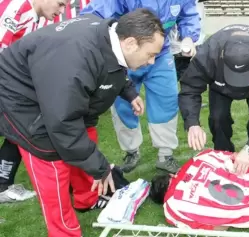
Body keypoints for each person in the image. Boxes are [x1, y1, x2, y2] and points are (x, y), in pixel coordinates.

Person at [0, 9, 164, 237]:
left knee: (87, 138)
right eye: (150, 54)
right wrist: (101, 168)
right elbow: (63, 123)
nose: (152, 61)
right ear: (130, 43)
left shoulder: (111, 37)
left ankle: (86, 199)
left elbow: (113, 65)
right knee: (50, 158)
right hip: (21, 98)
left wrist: (128, 92)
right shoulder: (75, 60)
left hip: (56, 91)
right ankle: (64, 232)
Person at [80, 0, 201, 174]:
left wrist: (189, 35)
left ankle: (165, 155)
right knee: (124, 103)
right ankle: (131, 151)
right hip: (129, 53)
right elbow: (96, 14)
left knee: (166, 101)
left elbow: (188, 13)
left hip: (161, 53)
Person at [178, 24, 249, 176]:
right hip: (221, 86)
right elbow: (190, 88)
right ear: (221, 53)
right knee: (218, 119)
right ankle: (223, 156)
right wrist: (192, 122)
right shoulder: (209, 53)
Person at [0, 0, 72, 203]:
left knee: (19, 128)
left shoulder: (36, 16)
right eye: (59, 4)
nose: (60, 11)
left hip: (11, 85)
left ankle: (2, 184)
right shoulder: (16, 8)